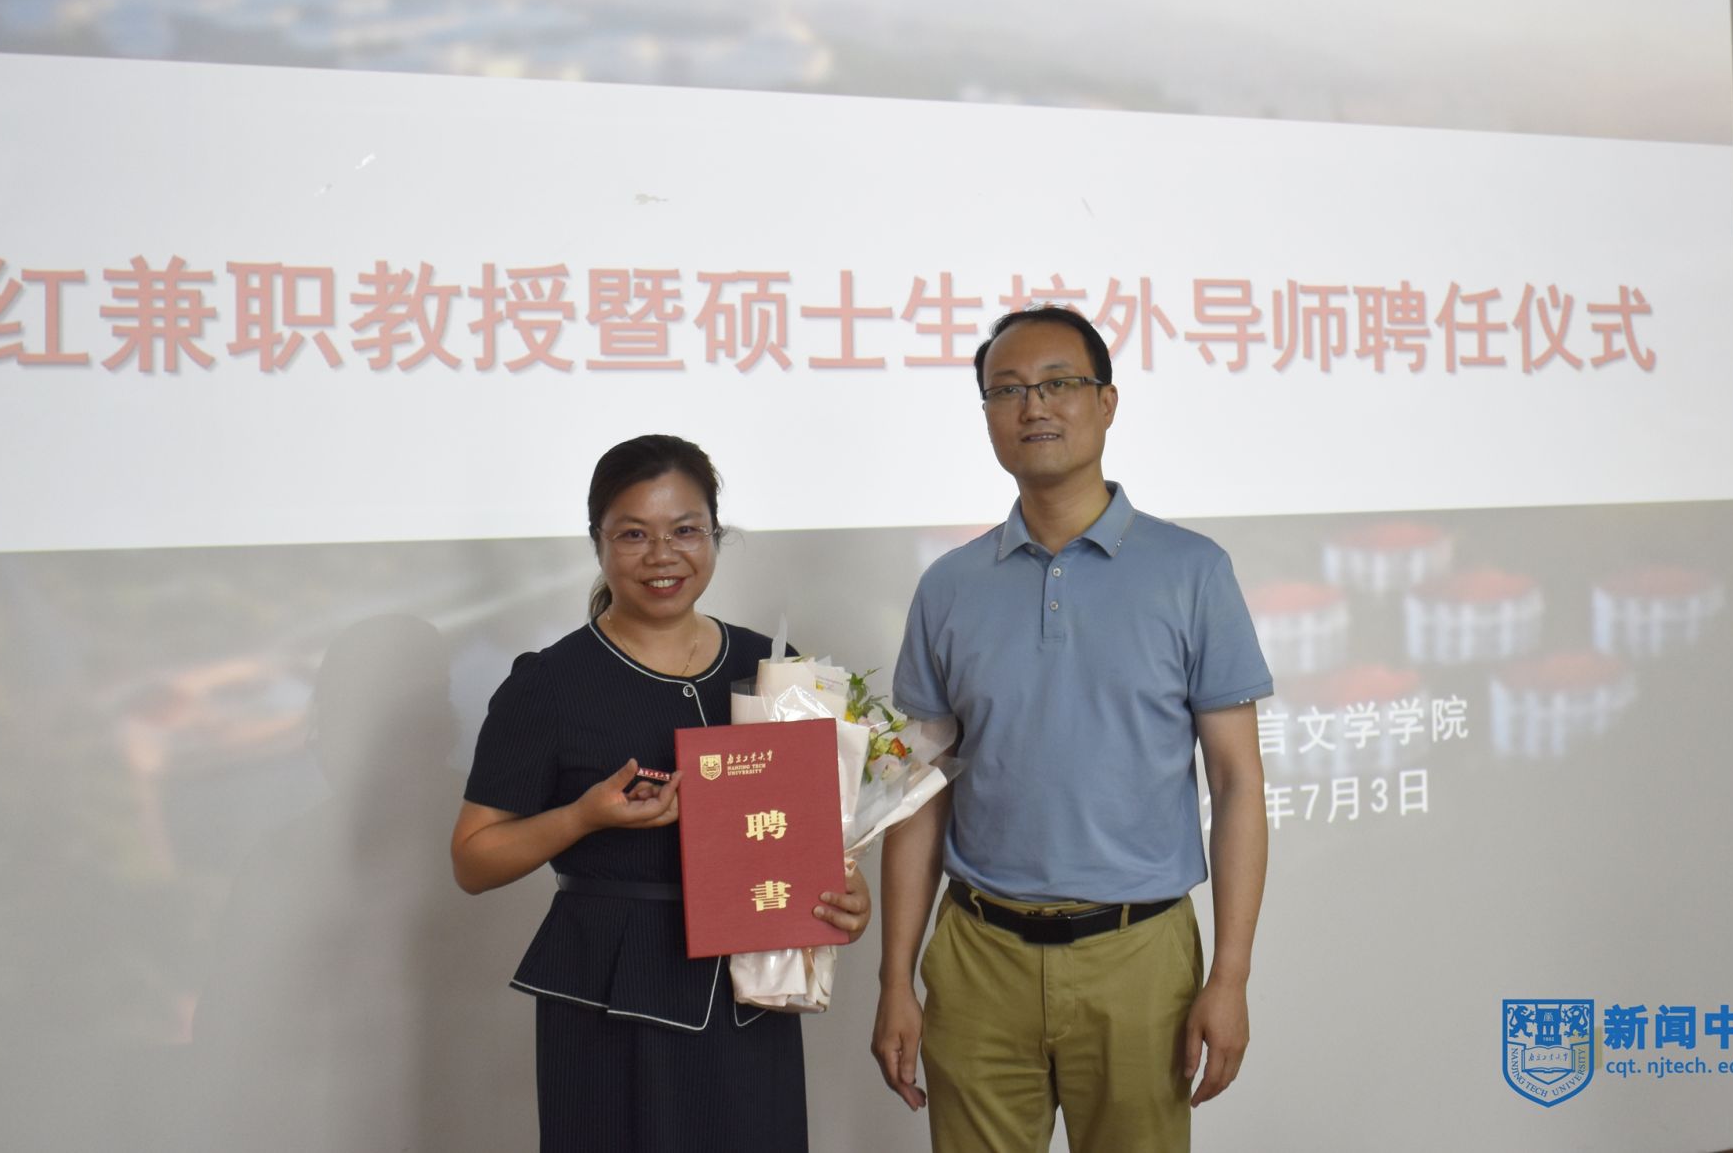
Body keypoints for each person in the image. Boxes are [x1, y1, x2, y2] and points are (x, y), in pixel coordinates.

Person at [870, 306, 1271, 1153]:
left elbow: (1237, 784)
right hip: (978, 957)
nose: (1034, 407)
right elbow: (919, 793)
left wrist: (1230, 976)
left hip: (1139, 957)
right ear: (987, 416)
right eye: (1007, 391)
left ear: (1107, 402)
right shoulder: (949, 587)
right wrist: (894, 978)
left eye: (1059, 384)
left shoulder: (1193, 573)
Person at [451, 434, 870, 1153]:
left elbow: (807, 831)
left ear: (715, 535)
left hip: (751, 991)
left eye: (685, 531)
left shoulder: (773, 670)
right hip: (609, 1001)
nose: (662, 555)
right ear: (598, 542)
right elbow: (473, 860)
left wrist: (842, 895)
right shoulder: (549, 684)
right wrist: (583, 817)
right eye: (633, 535)